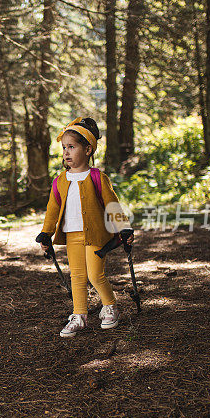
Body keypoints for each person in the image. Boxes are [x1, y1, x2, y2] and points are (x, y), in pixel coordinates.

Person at [35, 117, 134, 338]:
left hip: (96, 235)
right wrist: (46, 233)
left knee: (95, 274)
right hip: (72, 235)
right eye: (64, 148)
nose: (66, 153)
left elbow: (112, 204)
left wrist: (123, 227)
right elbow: (53, 209)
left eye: (72, 147)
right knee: (77, 276)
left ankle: (110, 306)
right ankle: (79, 315)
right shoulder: (60, 180)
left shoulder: (97, 177)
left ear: (88, 149)